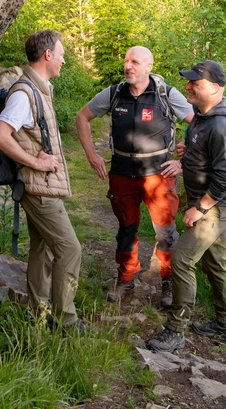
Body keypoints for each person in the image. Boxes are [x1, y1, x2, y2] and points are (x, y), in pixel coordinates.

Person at [74, 46, 193, 307]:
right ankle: (125, 280)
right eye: (126, 61)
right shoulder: (115, 93)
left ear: (149, 66)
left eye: (135, 62)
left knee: (165, 233)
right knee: (126, 229)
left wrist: (182, 161)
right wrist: (92, 156)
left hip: (158, 175)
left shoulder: (166, 94)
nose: (128, 66)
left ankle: (168, 282)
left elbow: (198, 124)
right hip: (121, 173)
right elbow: (82, 117)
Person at [0, 30, 91, 333]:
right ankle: (66, 321)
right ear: (47, 54)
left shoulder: (41, 88)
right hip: (37, 186)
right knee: (69, 248)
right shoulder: (24, 94)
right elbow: (0, 136)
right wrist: (36, 162)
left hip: (40, 184)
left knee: (42, 248)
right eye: (61, 53)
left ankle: (39, 313)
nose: (63, 59)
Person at [146, 60, 226, 352]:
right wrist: (187, 155)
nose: (187, 87)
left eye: (194, 83)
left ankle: (176, 331)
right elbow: (208, 158)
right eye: (188, 82)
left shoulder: (223, 124)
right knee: (216, 261)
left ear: (213, 88)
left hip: (218, 205)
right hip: (213, 201)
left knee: (181, 258)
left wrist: (200, 208)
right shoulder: (203, 116)